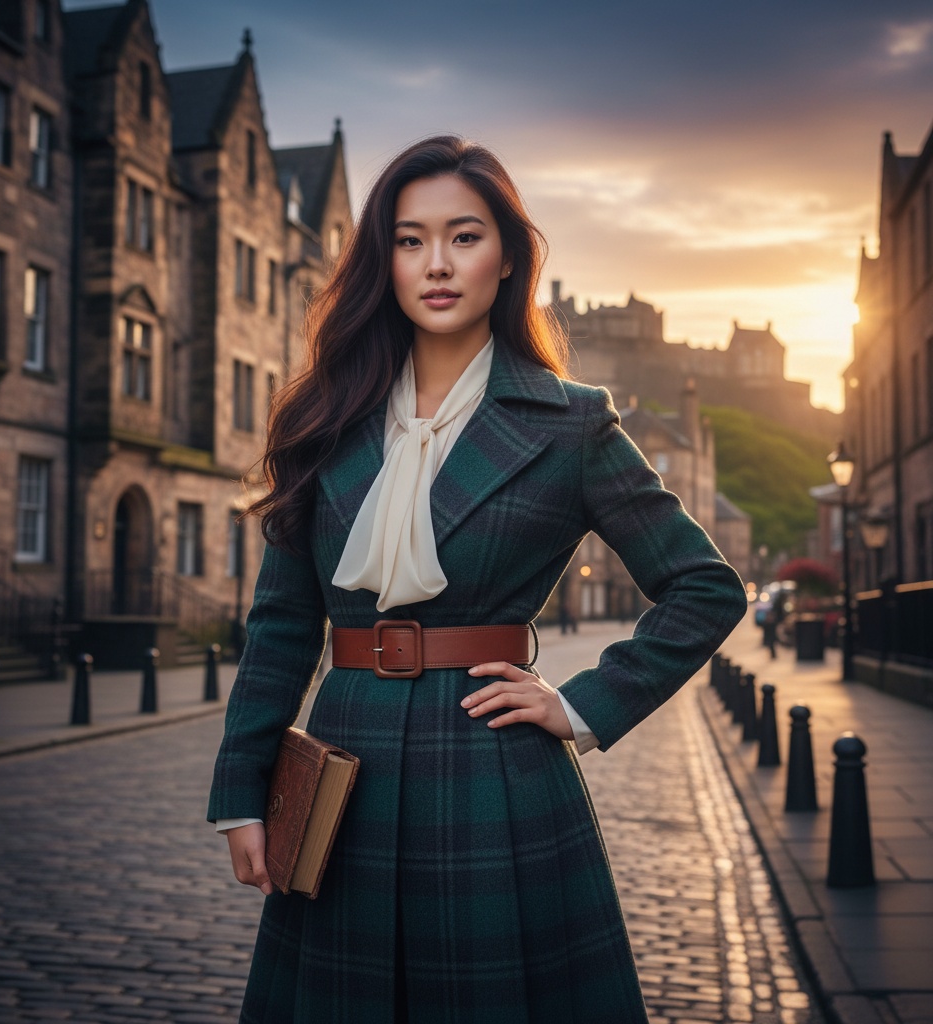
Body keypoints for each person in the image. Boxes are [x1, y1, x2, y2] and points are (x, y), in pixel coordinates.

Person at [209, 136, 747, 1024]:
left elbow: (705, 587)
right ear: (383, 261)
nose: (437, 264)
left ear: (507, 259)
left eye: (464, 237)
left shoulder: (571, 423)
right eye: (410, 240)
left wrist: (580, 706)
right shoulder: (323, 417)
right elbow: (278, 626)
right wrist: (241, 792)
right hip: (340, 767)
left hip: (494, 768)